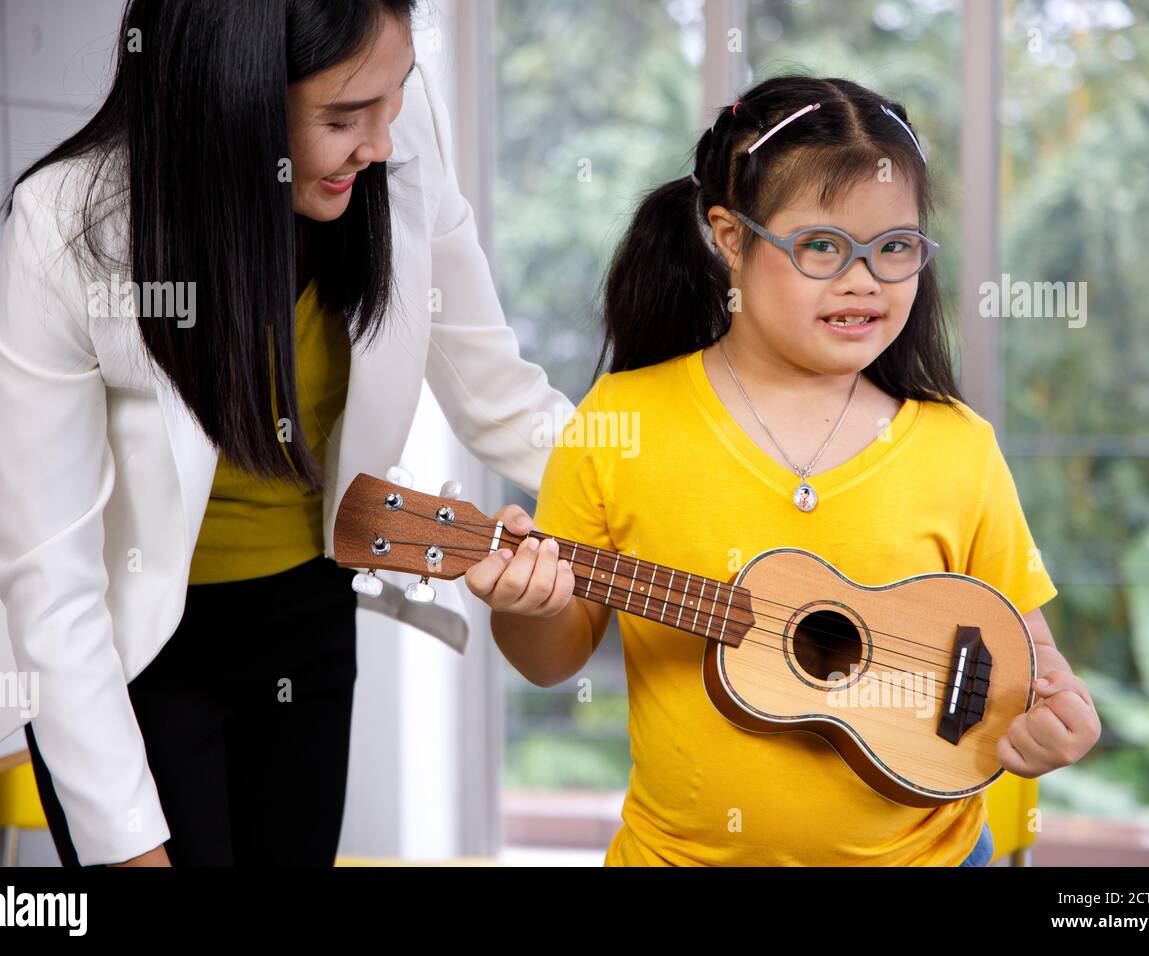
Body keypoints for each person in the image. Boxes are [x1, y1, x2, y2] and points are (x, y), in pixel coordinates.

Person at [0, 0, 572, 867]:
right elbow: (53, 587)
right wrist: (130, 850)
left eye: (396, 97)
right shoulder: (70, 228)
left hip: (307, 610)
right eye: (343, 118)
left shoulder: (393, 123)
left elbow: (499, 394)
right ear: (232, 100)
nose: (382, 141)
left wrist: (671, 478)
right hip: (133, 648)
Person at [466, 74, 1101, 865]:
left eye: (894, 247)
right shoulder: (617, 424)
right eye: (822, 247)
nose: (864, 280)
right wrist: (523, 606)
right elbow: (552, 660)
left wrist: (1057, 713)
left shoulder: (957, 444)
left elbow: (1024, 649)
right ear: (730, 238)